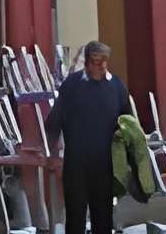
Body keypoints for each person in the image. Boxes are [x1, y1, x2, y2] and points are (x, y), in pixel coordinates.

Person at [47, 39, 132, 234]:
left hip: (105, 164)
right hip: (76, 164)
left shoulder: (116, 86)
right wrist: (52, 154)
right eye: (96, 60)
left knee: (103, 218)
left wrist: (129, 156)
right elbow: (54, 121)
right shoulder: (72, 85)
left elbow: (128, 123)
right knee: (76, 217)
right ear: (86, 62)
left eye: (105, 60)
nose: (102, 65)